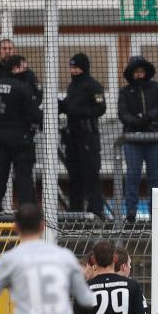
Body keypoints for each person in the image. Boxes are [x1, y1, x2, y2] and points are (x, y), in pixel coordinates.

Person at [0, 39, 41, 212]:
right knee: (22, 176)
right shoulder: (17, 84)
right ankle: (27, 213)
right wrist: (41, 120)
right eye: (4, 48)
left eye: (10, 48)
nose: (8, 51)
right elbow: (33, 108)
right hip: (18, 134)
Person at [118, 56, 158, 223]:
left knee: (155, 177)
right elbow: (122, 113)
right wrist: (136, 122)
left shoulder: (157, 87)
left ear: (146, 72)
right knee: (132, 175)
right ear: (131, 73)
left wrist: (148, 117)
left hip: (155, 138)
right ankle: (131, 212)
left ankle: (156, 212)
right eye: (136, 72)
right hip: (133, 140)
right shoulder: (125, 92)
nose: (139, 74)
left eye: (141, 71)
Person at [60, 53, 106, 218]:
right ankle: (75, 212)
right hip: (72, 137)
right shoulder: (72, 87)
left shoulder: (94, 86)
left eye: (77, 67)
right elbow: (68, 106)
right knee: (74, 176)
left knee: (91, 174)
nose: (74, 71)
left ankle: (96, 210)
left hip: (88, 137)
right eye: (72, 67)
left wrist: (78, 111)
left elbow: (101, 108)